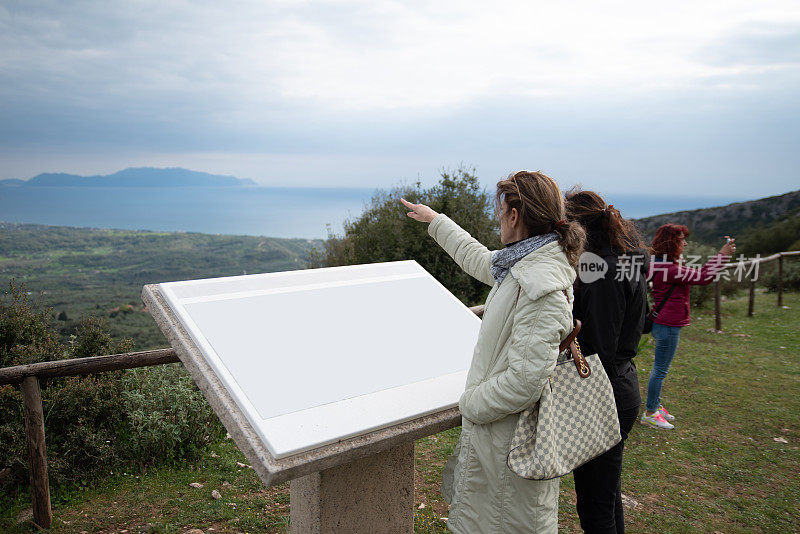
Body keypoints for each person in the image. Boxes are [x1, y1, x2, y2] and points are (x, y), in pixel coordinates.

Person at [401, 170, 585, 533]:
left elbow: (525, 382)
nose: (498, 217)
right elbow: (481, 260)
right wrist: (437, 222)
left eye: (500, 210)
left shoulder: (539, 285)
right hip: (499, 441)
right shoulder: (523, 265)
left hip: (507, 447)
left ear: (514, 215)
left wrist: (470, 403)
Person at [565, 190, 648, 534]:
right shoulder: (624, 261)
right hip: (620, 387)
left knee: (595, 505)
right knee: (606, 495)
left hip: (603, 394)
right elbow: (643, 324)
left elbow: (598, 347)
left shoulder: (598, 273)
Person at [641, 224, 735, 429]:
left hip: (662, 320)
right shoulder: (670, 268)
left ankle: (654, 405)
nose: (685, 243)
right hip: (668, 324)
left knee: (660, 368)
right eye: (681, 240)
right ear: (671, 243)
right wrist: (722, 254)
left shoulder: (659, 262)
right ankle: (650, 413)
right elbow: (703, 277)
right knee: (660, 370)